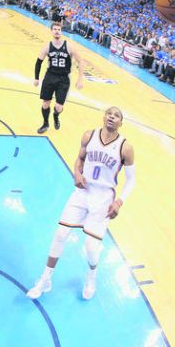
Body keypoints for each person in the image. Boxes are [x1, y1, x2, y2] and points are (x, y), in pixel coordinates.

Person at [26, 106, 135, 301]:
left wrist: (119, 201)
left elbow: (131, 180)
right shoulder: (88, 136)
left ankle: (91, 275)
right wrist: (77, 173)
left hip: (103, 198)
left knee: (91, 248)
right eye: (109, 113)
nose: (112, 116)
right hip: (82, 192)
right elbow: (80, 159)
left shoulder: (125, 148)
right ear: (104, 117)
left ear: (121, 123)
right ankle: (45, 279)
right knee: (60, 233)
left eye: (117, 115)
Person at [34, 22, 84, 134]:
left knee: (58, 106)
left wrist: (80, 79)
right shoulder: (47, 46)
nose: (57, 31)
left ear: (61, 31)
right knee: (45, 103)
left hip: (63, 79)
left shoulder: (69, 46)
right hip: (50, 76)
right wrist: (36, 78)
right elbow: (38, 62)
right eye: (55, 29)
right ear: (51, 31)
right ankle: (45, 123)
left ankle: (56, 115)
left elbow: (80, 61)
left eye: (59, 29)